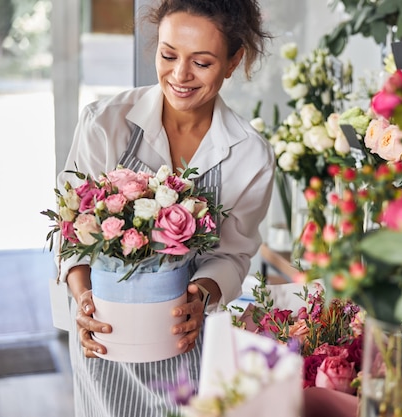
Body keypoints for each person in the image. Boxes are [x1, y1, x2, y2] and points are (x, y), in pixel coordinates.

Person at [55, 1, 274, 416]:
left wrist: (201, 295)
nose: (179, 75)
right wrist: (83, 301)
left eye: (203, 62)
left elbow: (232, 254)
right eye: (168, 54)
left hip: (185, 340)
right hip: (103, 337)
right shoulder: (105, 123)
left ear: (233, 62)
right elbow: (72, 232)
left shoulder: (249, 154)